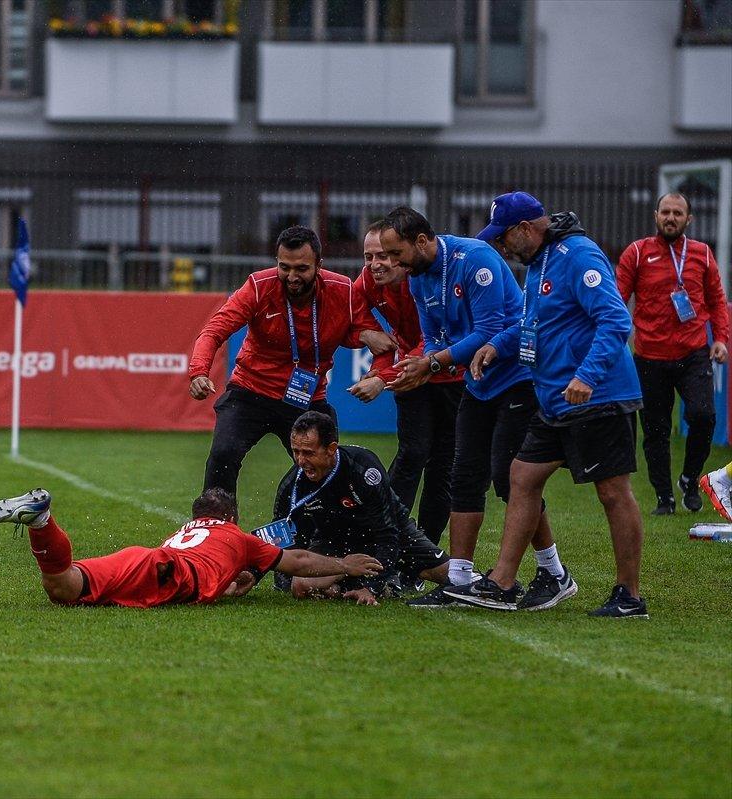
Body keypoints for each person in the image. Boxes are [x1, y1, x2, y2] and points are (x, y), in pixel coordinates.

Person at [458, 193, 645, 617]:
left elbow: (616, 319)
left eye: (504, 237)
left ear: (526, 228)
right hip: (555, 399)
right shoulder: (539, 263)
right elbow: (532, 324)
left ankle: (630, 595)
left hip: (597, 396)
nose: (501, 247)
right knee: (521, 476)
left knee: (612, 492)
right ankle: (502, 582)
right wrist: (496, 345)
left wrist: (587, 375)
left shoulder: (578, 255)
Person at [377, 206, 572, 610]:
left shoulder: (475, 258)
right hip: (478, 384)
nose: (393, 264)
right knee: (462, 475)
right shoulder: (417, 279)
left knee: (508, 476)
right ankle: (460, 579)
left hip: (517, 377)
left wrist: (432, 363)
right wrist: (426, 363)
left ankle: (552, 570)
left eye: (396, 254)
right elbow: (433, 336)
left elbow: (488, 330)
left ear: (421, 240)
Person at [188, 225, 395, 496]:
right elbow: (214, 330)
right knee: (223, 455)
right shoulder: (258, 287)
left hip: (307, 399)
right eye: (284, 267)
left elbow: (382, 344)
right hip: (251, 391)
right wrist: (199, 371)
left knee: (325, 468)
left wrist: (379, 376)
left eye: (301, 269)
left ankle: (322, 533)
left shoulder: (342, 291)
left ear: (319, 265)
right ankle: (214, 525)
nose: (292, 276)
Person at [0, 487, 383, 608]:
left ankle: (41, 521)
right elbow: (295, 559)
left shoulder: (187, 532)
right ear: (231, 517)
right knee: (64, 590)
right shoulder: (238, 537)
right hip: (167, 571)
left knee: (62, 586)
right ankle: (40, 519)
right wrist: (344, 564)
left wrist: (225, 585)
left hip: (150, 559)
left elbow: (203, 569)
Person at [349, 220, 463, 545]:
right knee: (412, 454)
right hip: (411, 374)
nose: (375, 265)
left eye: (383, 256)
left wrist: (381, 379)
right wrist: (366, 334)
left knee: (443, 466)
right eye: (368, 257)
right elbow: (370, 330)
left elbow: (432, 339)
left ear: (402, 255)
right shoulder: (367, 282)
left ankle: (424, 552)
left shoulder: (426, 280)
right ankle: (387, 541)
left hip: (451, 373)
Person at [617, 192, 729, 515]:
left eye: (678, 213)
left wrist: (720, 339)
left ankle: (690, 479)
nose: (671, 218)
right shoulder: (637, 253)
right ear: (655, 216)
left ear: (688, 219)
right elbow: (616, 299)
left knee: (704, 416)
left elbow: (717, 301)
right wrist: (615, 338)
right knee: (655, 430)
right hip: (649, 356)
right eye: (665, 212)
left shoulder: (702, 255)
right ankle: (664, 497)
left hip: (694, 352)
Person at [269, 412, 449, 606]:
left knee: (456, 577)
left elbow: (388, 533)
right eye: (296, 451)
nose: (300, 461)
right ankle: (359, 579)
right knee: (300, 586)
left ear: (331, 449)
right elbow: (279, 535)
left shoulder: (364, 470)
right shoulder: (293, 483)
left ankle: (392, 572)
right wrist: (253, 573)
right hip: (336, 541)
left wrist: (370, 587)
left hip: (390, 533)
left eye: (309, 453)